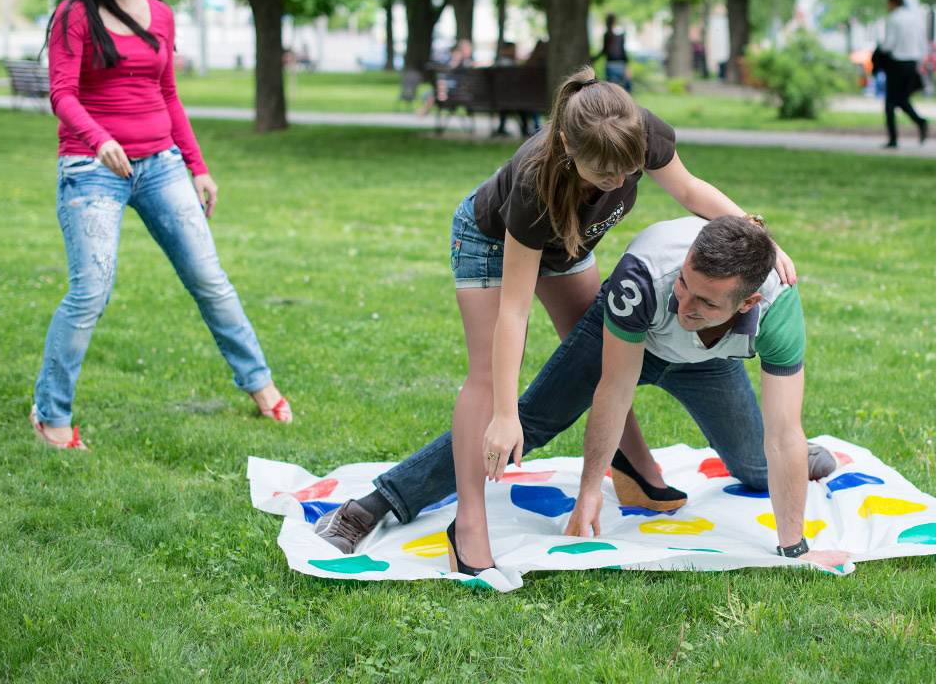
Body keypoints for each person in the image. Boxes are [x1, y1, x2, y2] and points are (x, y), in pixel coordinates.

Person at [316, 67, 799, 573]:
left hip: (568, 244)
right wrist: (505, 416)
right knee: (493, 387)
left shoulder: (637, 131)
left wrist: (759, 239)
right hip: (492, 242)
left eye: (628, 170)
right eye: (604, 174)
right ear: (568, 146)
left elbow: (692, 191)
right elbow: (514, 312)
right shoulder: (535, 184)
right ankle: (463, 521)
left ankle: (634, 468)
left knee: (600, 362)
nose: (619, 183)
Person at [315, 216, 846, 573]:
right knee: (528, 421)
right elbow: (613, 390)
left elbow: (782, 432)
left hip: (708, 363)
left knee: (758, 463)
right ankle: (374, 504)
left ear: (748, 302)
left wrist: (794, 548)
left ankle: (805, 460)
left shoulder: (778, 309)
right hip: (630, 339)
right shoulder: (644, 279)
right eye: (684, 284)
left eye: (706, 302)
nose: (684, 305)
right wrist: (590, 488)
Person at [30, 0, 291, 450]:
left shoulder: (161, 14)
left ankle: (261, 385)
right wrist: (100, 140)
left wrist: (198, 166)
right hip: (91, 169)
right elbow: (61, 95)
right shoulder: (74, 15)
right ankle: (50, 414)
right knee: (90, 291)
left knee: (209, 278)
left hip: (161, 164)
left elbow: (168, 94)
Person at [878, 0, 928, 148]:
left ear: (893, 3)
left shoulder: (893, 19)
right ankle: (920, 122)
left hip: (897, 63)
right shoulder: (914, 18)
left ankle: (893, 138)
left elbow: (889, 44)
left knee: (890, 103)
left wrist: (880, 49)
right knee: (902, 99)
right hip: (912, 63)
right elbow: (922, 42)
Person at [592, 14, 631, 91]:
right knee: (622, 90)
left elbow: (604, 51)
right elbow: (623, 51)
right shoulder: (620, 34)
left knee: (612, 90)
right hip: (620, 64)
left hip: (610, 65)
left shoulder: (607, 34)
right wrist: (627, 65)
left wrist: (594, 58)